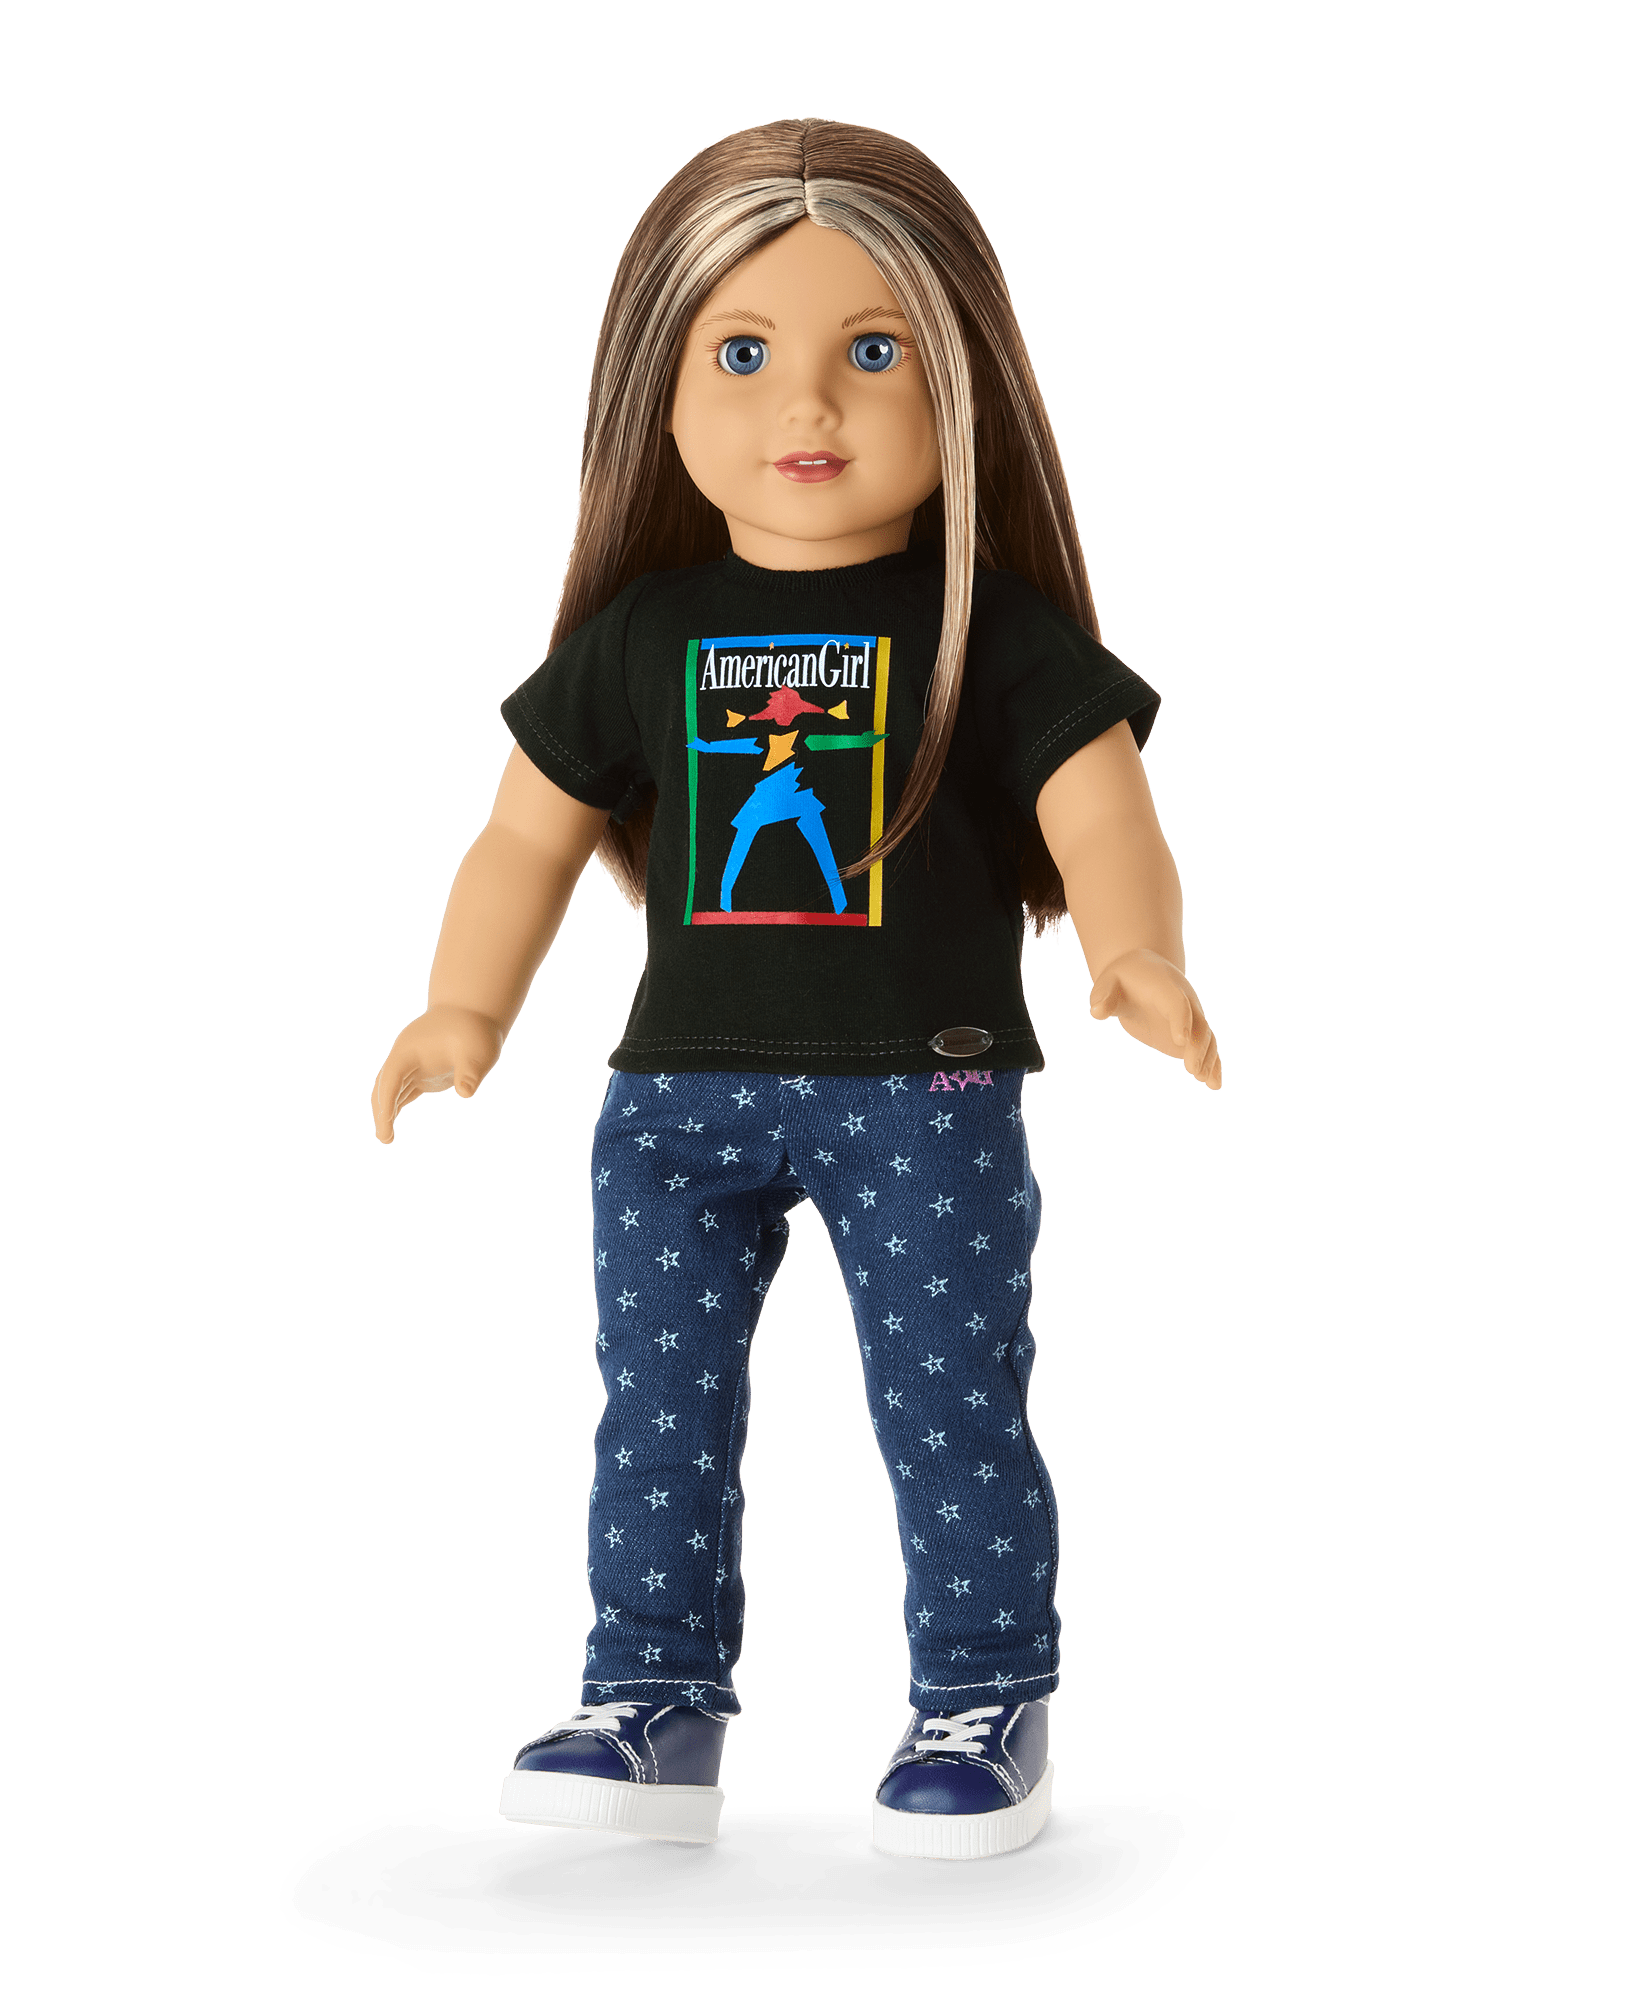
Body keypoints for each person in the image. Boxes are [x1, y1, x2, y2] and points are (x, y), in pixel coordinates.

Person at [369, 119, 1221, 1863]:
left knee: (950, 1401)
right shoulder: (643, 632)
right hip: (676, 1094)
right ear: (660, 396)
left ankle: (985, 1700)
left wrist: (1137, 953)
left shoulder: (984, 628)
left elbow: (1102, 804)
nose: (808, 405)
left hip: (925, 1086)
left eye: (876, 352)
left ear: (964, 388)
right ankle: (648, 1696)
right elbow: (522, 838)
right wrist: (462, 1008)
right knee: (657, 1410)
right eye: (744, 354)